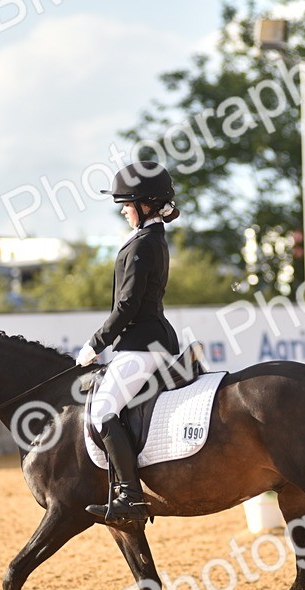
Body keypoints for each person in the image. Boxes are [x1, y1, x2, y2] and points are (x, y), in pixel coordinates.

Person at [76, 161, 182, 524]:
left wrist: (96, 342)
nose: (122, 210)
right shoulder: (148, 240)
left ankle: (130, 497)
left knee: (103, 411)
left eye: (127, 204)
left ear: (147, 205)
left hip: (143, 344)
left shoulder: (143, 245)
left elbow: (127, 305)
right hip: (147, 341)